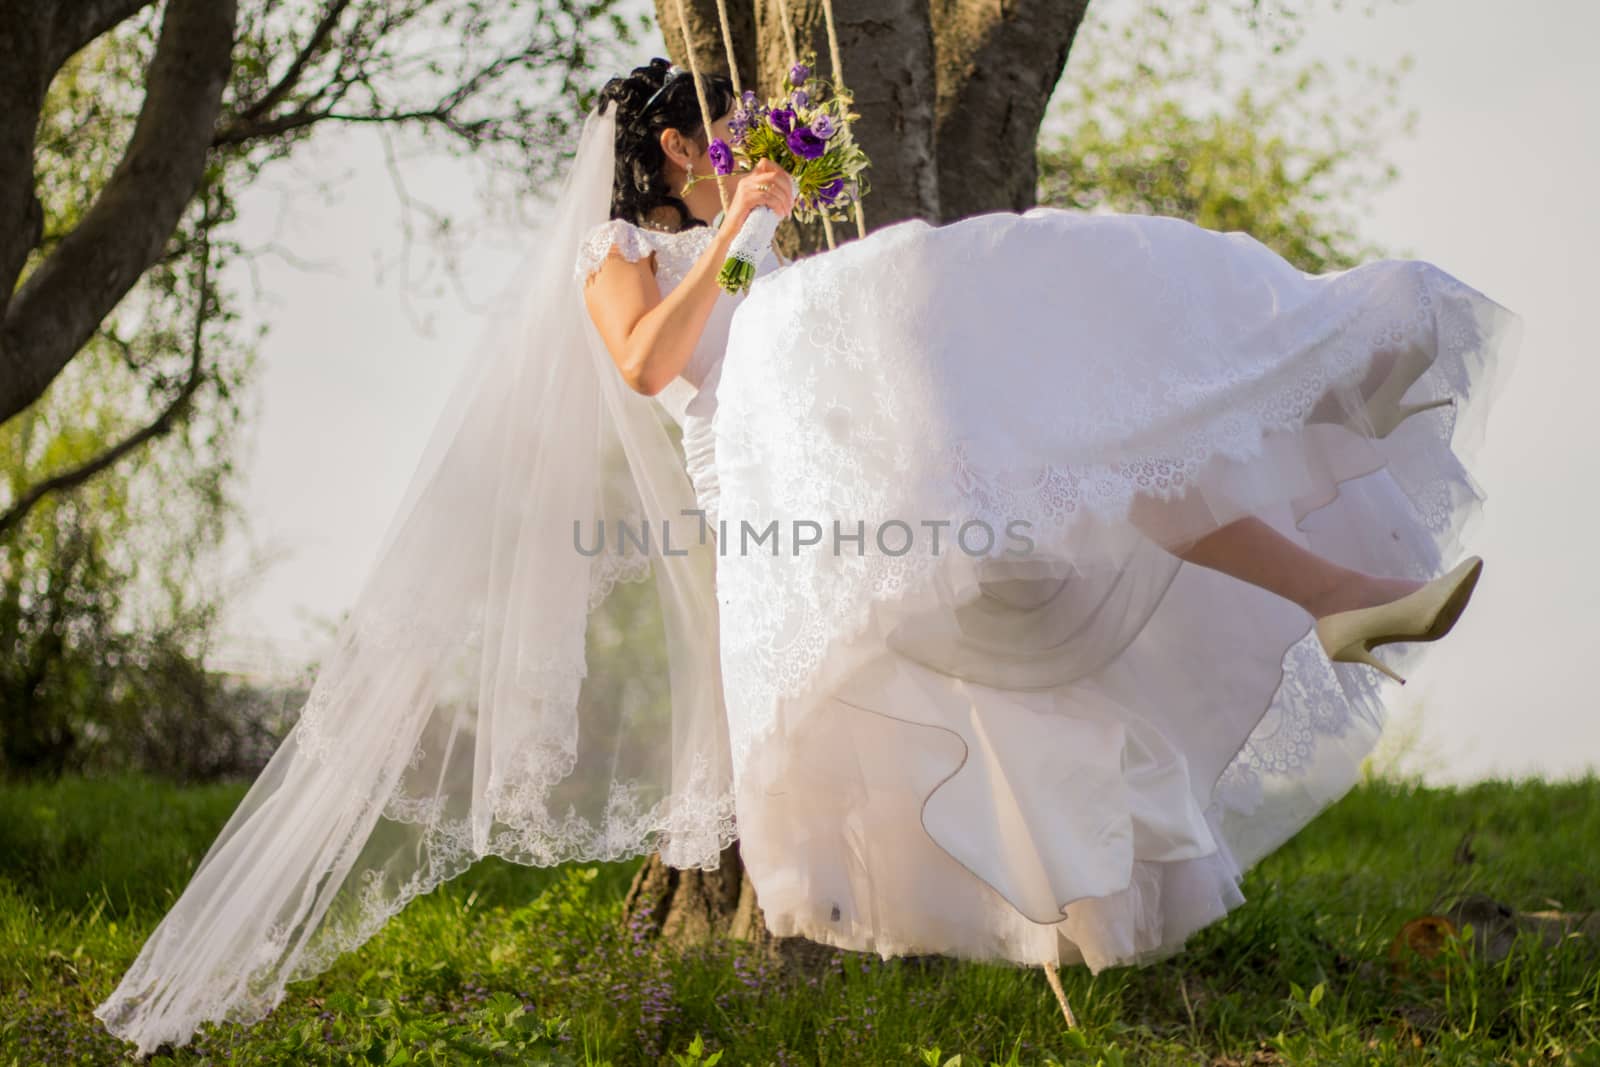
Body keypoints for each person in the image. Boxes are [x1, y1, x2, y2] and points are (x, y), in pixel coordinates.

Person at [93, 56, 1522, 1055]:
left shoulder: (744, 240)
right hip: (788, 511)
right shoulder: (628, 252)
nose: (728, 157)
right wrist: (743, 229)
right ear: (663, 150)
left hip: (860, 478)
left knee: (1104, 480)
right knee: (1041, 545)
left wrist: (773, 234)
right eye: (709, 140)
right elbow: (653, 366)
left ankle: (1337, 588)